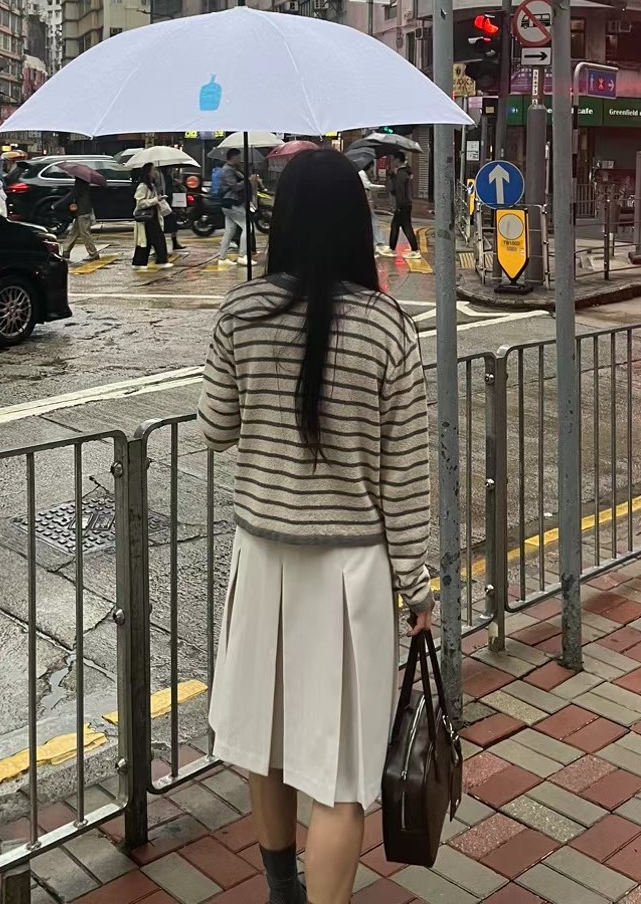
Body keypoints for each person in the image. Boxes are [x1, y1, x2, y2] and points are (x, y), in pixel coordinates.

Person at [198, 149, 432, 904]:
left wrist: (246, 339)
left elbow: (215, 427)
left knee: (265, 743)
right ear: (357, 224)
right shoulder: (387, 327)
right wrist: (417, 588)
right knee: (339, 777)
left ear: (283, 222)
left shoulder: (241, 313)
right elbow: (405, 480)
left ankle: (280, 890)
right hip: (350, 576)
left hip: (263, 559)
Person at [216, 149, 254, 267]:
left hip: (230, 203)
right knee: (247, 227)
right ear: (233, 157)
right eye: (238, 157)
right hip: (231, 202)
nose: (240, 159)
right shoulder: (227, 170)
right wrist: (248, 181)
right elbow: (235, 187)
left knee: (230, 231)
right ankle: (242, 256)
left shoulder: (233, 169)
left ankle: (222, 258)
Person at [132, 161, 171, 270]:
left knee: (148, 241)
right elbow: (140, 203)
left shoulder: (152, 185)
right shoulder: (143, 186)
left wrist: (159, 198)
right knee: (157, 240)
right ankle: (161, 261)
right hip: (146, 217)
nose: (156, 172)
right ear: (148, 172)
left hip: (152, 216)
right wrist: (155, 200)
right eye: (154, 170)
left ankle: (139, 263)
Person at [387, 152, 420, 259]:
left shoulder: (401, 174)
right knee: (396, 226)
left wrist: (399, 207)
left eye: (393, 159)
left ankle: (414, 250)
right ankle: (392, 248)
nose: (392, 162)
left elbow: (398, 191)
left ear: (397, 160)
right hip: (406, 203)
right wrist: (392, 176)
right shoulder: (405, 172)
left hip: (402, 204)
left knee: (405, 227)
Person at [61, 174, 101, 262]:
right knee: (74, 232)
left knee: (84, 233)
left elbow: (72, 195)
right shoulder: (85, 183)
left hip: (83, 212)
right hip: (83, 210)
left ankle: (93, 253)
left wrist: (57, 204)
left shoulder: (80, 184)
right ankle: (66, 251)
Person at [359, 163, 391, 256]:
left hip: (365, 201)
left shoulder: (362, 173)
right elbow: (367, 185)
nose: (372, 169)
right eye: (372, 166)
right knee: (374, 222)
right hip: (364, 201)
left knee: (372, 222)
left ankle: (376, 243)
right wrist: (380, 187)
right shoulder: (361, 173)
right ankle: (378, 243)